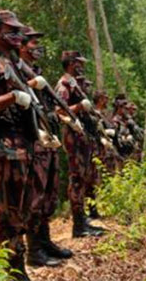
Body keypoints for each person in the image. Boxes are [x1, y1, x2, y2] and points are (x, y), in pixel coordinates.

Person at [0, 10, 49, 280]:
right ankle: (13, 273)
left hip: (25, 147)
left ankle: (18, 269)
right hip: (6, 151)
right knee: (9, 218)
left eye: (19, 31)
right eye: (11, 31)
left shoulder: (13, 64)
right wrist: (12, 97)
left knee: (23, 213)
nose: (18, 36)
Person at [18, 26, 73, 266]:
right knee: (36, 195)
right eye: (32, 42)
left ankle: (45, 242)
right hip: (33, 140)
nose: (37, 47)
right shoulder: (16, 69)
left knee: (48, 194)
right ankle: (34, 251)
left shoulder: (35, 71)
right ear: (21, 45)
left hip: (47, 139)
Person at [54, 51, 105, 238]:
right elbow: (59, 110)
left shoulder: (74, 84)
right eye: (78, 63)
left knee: (84, 178)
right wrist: (79, 107)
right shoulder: (63, 85)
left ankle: (82, 220)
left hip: (82, 137)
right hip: (73, 137)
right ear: (70, 63)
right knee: (77, 179)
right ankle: (78, 225)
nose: (81, 67)